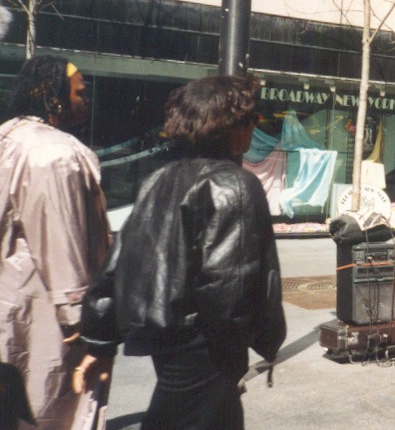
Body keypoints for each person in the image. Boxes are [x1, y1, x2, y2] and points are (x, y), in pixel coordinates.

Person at [75, 75, 286, 429]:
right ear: (229, 125)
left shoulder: (160, 178)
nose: (254, 126)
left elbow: (119, 263)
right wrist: (234, 354)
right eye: (250, 118)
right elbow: (229, 288)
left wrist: (99, 340)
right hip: (205, 350)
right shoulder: (237, 184)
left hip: (169, 343)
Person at [0, 56, 112, 429]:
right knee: (50, 410)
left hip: (11, 302)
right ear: (52, 95)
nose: (86, 100)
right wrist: (84, 325)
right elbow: (63, 246)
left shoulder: (6, 137)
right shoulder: (56, 153)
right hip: (41, 314)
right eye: (79, 92)